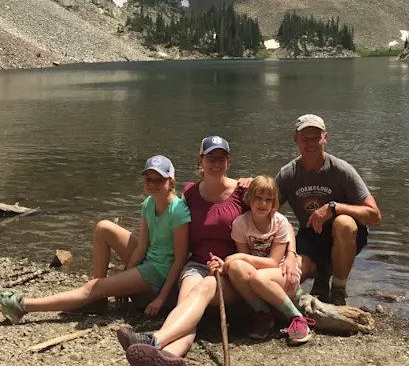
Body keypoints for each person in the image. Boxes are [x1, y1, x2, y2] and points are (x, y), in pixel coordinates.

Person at [0, 155, 190, 323]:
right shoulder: (148, 203)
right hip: (149, 259)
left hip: (160, 271)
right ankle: (97, 299)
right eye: (148, 179)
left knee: (95, 288)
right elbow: (142, 247)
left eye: (159, 180)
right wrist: (126, 275)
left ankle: (22, 306)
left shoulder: (178, 212)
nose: (153, 185)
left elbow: (180, 259)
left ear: (171, 182)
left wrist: (161, 298)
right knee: (103, 227)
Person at [116, 135, 252, 366]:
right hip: (197, 265)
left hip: (229, 269)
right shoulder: (190, 193)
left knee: (202, 292)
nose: (216, 163)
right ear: (200, 160)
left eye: (221, 158)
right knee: (187, 309)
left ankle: (153, 340)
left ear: (228, 161)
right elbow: (172, 219)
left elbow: (268, 210)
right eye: (211, 158)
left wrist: (287, 255)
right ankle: (168, 356)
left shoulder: (243, 191)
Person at [275, 114, 381, 306]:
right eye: (305, 138)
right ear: (295, 139)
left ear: (325, 137)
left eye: (316, 137)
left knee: (344, 223)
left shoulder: (342, 170)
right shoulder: (288, 173)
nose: (311, 143)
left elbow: (374, 216)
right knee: (287, 276)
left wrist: (335, 208)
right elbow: (265, 208)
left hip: (343, 237)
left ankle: (338, 290)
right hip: (310, 237)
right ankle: (321, 276)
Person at [210, 175, 314, 345]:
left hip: (280, 273)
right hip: (258, 275)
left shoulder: (279, 222)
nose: (263, 204)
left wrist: (240, 256)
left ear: (274, 203)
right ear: (249, 199)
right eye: (258, 198)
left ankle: (297, 317)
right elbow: (244, 263)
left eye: (268, 200)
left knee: (254, 274)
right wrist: (226, 265)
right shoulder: (240, 224)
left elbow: (273, 262)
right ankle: (263, 314)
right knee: (236, 266)